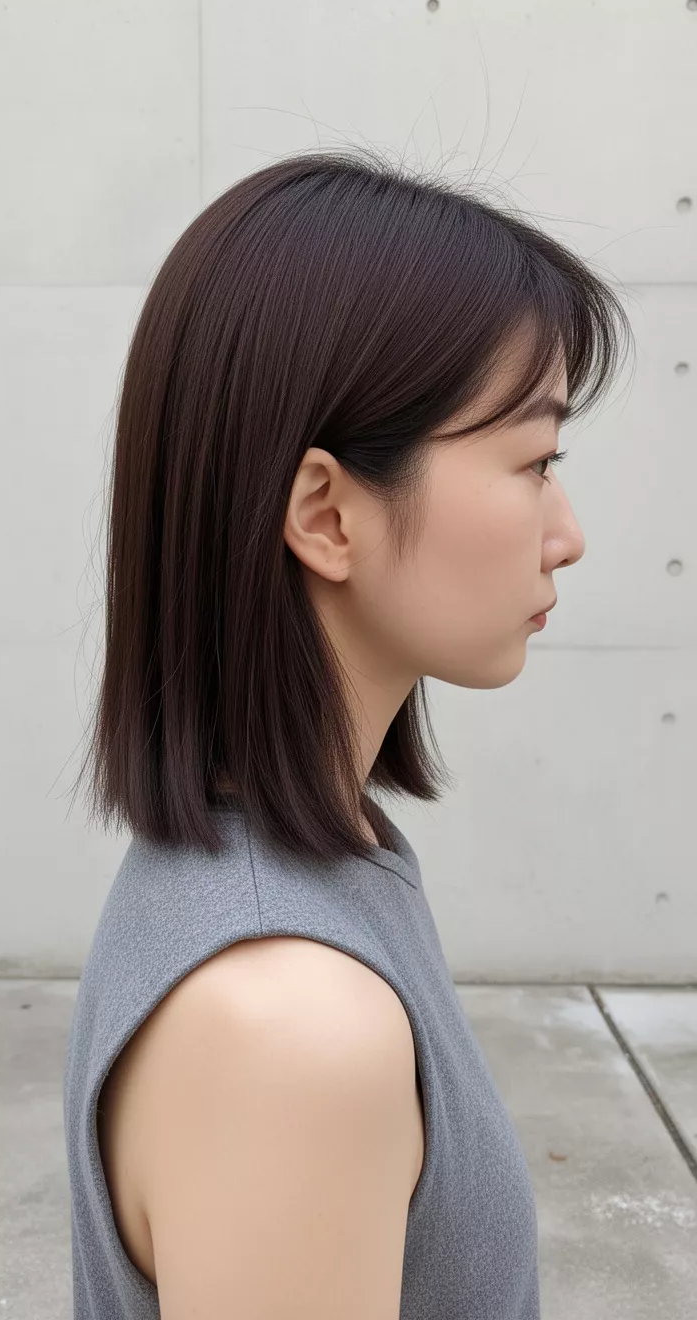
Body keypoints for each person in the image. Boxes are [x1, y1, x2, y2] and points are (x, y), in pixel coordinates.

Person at [62, 145, 632, 1319]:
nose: (567, 534)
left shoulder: (298, 865)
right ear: (326, 513)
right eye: (536, 460)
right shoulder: (292, 1030)